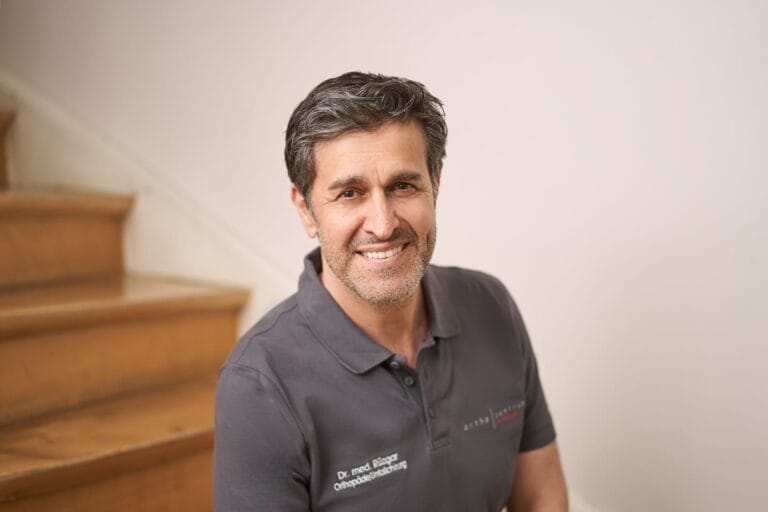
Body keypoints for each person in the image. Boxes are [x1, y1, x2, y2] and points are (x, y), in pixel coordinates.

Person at [213, 71, 568, 511]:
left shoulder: (491, 305)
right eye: (350, 193)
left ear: (435, 186)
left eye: (403, 186)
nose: (382, 225)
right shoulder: (259, 384)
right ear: (306, 210)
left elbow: (540, 494)